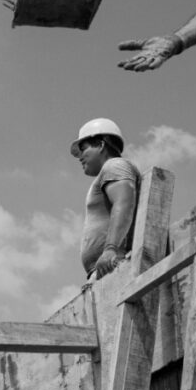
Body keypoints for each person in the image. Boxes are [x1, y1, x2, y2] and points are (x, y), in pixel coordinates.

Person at [70, 118, 140, 280]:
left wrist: (110, 249)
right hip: (105, 270)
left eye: (83, 149)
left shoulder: (114, 166)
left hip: (113, 266)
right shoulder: (109, 171)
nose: (80, 157)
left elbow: (123, 203)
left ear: (101, 145)